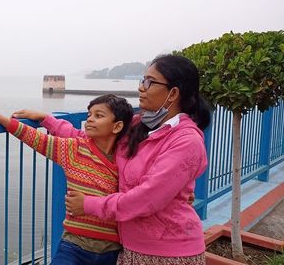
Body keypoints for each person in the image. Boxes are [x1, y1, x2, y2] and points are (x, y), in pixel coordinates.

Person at [40, 54, 210, 265]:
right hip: (129, 249)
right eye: (142, 80)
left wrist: (89, 205)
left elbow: (147, 198)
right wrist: (48, 121)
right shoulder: (137, 126)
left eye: (149, 82)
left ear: (173, 93)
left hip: (170, 253)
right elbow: (95, 142)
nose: (141, 88)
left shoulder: (186, 141)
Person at [0, 94, 133, 265]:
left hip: (112, 251)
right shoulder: (74, 150)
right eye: (88, 115)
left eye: (98, 116)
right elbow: (36, 139)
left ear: (117, 126)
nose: (90, 120)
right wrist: (0, 118)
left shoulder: (127, 160)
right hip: (74, 246)